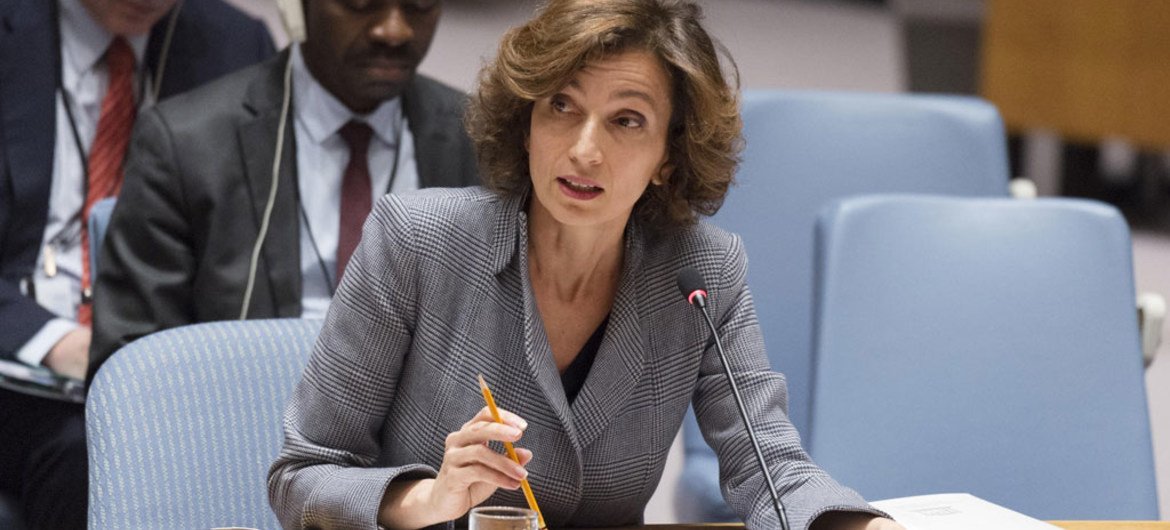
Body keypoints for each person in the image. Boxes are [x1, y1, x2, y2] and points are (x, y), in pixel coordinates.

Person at [268, 1, 905, 529]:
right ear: (526, 122)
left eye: (626, 120)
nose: (583, 150)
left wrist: (867, 526)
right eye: (562, 107)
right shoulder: (416, 242)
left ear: (668, 155)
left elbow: (768, 467)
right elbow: (303, 474)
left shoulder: (701, 270)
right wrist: (429, 498)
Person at [88, 0, 480, 380]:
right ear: (296, 8)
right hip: (243, 422)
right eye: (361, 5)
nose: (394, 31)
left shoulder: (481, 141)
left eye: (420, 6)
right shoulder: (185, 144)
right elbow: (129, 368)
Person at [0, 0, 274, 526]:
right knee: (101, 450)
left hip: (167, 363)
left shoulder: (234, 45)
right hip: (22, 365)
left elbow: (250, 248)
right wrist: (56, 342)